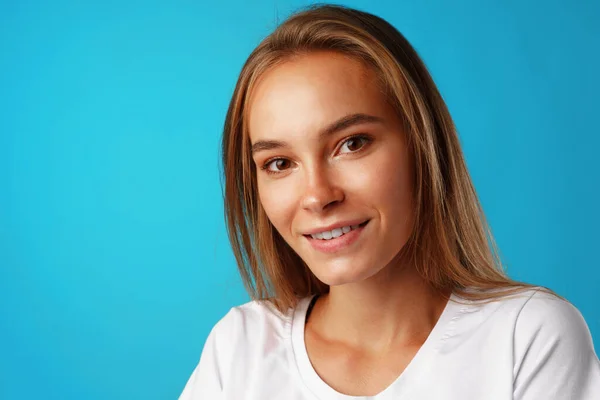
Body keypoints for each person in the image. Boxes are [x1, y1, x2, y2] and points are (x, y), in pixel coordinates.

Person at [180, 4, 600, 399]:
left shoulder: (526, 337)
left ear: (423, 145)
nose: (317, 196)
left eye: (352, 143)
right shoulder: (240, 346)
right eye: (278, 163)